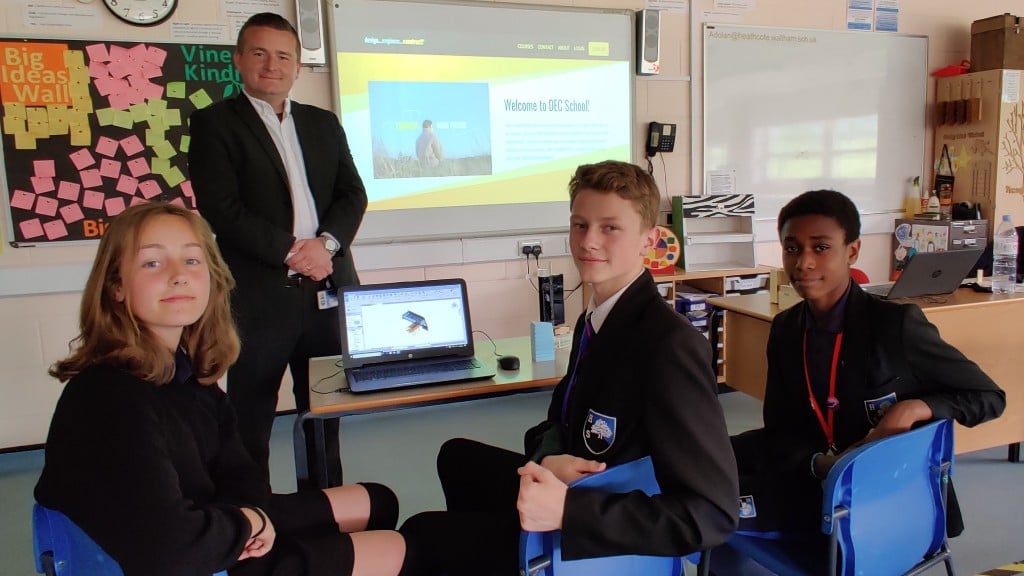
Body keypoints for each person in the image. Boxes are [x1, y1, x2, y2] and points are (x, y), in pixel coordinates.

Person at [399, 160, 739, 575]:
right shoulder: (594, 320)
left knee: (423, 533)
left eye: (609, 227)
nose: (588, 241)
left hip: (593, 521)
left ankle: (511, 553)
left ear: (648, 241)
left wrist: (568, 511)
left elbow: (711, 515)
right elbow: (560, 419)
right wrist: (548, 460)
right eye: (580, 225)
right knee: (456, 458)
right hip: (568, 483)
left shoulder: (670, 346)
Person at [34, 203, 406, 576]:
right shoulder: (108, 398)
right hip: (203, 558)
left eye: (192, 261)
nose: (179, 276)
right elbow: (170, 551)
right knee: (404, 547)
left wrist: (251, 516)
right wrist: (250, 526)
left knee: (378, 500)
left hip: (217, 526)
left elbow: (241, 474)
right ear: (116, 285)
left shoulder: (186, 376)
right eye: (152, 263)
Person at [721, 189, 1006, 572]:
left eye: (821, 248)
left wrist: (915, 407)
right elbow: (780, 430)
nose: (803, 262)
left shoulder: (895, 326)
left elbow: (988, 396)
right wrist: (820, 464)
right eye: (792, 248)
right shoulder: (787, 329)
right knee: (704, 467)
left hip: (879, 499)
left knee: (714, 513)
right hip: (817, 474)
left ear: (852, 251)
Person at [188, 12, 367, 486]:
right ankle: (255, 517)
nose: (273, 65)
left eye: (284, 56)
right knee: (249, 420)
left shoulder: (323, 123)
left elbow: (353, 195)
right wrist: (293, 251)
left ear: (297, 67)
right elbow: (222, 210)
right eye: (260, 53)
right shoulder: (213, 124)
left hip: (326, 291)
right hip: (259, 299)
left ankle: (324, 503)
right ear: (239, 61)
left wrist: (325, 245)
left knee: (325, 415)